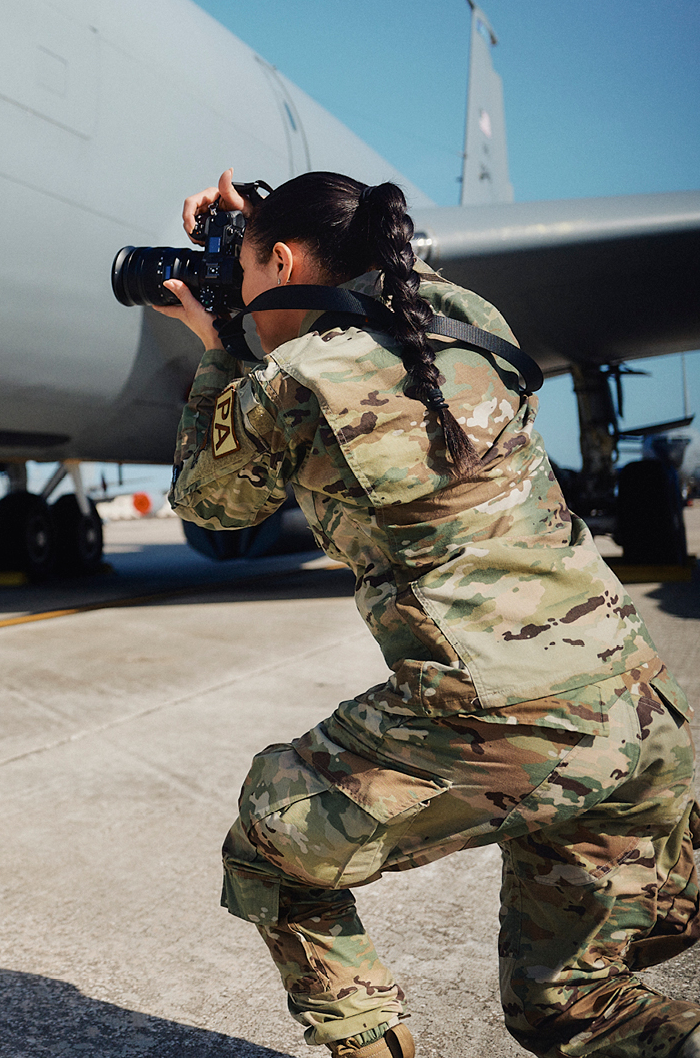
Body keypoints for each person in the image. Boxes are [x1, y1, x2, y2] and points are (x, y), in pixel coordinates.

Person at [160, 170, 700, 1058]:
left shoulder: (290, 381)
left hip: (507, 726)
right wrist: (259, 234)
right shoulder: (473, 323)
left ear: (287, 260)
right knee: (571, 1007)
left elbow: (209, 502)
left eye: (251, 272)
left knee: (270, 841)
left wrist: (221, 347)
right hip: (642, 722)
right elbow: (372, 282)